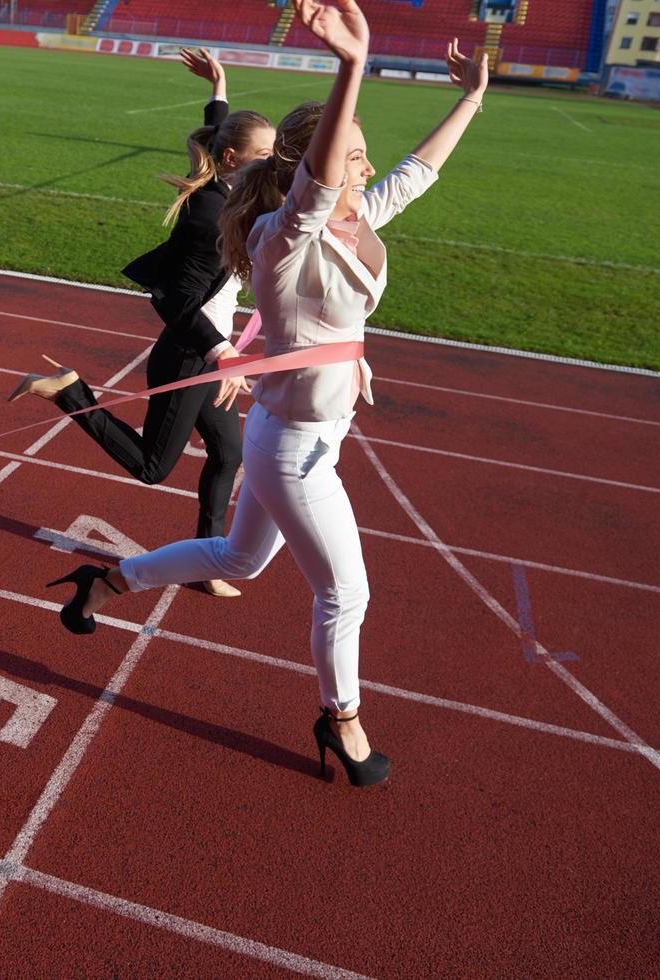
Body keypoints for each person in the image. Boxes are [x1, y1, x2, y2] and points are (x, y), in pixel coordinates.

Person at [46, 0, 488, 788]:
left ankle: (106, 580)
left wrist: (472, 98)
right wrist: (350, 65)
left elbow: (417, 174)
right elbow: (319, 181)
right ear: (312, 168)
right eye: (352, 156)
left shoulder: (359, 217)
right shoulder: (284, 236)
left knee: (237, 557)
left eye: (362, 157)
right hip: (293, 452)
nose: (365, 167)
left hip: (299, 434)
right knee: (344, 592)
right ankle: (341, 720)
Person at [8, 48, 275, 598]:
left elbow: (217, 134)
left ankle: (209, 563)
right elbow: (173, 302)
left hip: (209, 356)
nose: (272, 164)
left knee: (229, 453)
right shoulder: (209, 216)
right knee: (154, 467)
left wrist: (220, 86)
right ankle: (71, 393)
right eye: (264, 156)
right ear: (231, 162)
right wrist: (219, 352)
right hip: (190, 351)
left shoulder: (226, 190)